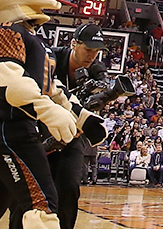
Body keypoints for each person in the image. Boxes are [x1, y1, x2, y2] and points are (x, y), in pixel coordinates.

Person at [49, 24, 107, 229]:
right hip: (41, 131)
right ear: (74, 43)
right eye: (88, 50)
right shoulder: (53, 58)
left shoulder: (97, 74)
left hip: (73, 135)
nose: (92, 56)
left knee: (69, 188)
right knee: (32, 191)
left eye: (96, 51)